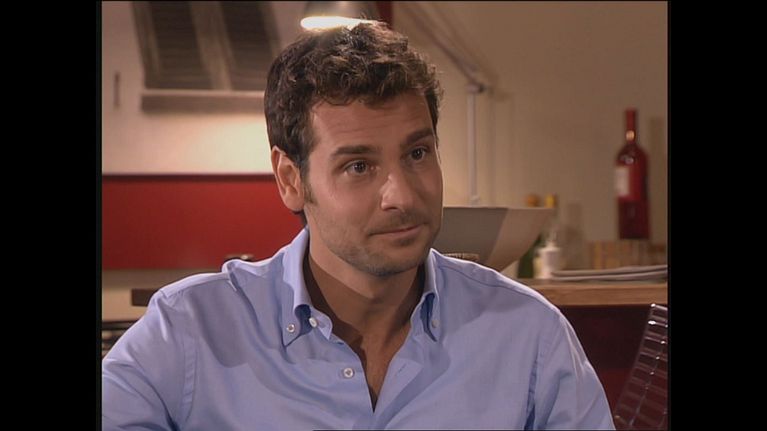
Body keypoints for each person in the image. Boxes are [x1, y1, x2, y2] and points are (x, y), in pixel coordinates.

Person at [102, 22, 615, 430]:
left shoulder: (528, 334)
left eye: (417, 154)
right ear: (291, 180)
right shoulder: (190, 331)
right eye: (359, 166)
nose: (402, 196)